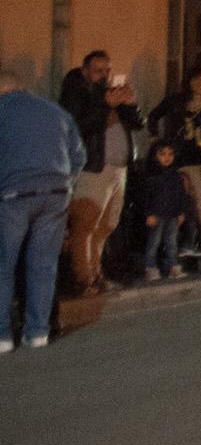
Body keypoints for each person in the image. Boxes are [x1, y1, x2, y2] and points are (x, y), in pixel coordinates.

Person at [1, 71, 84, 352]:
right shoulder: (55, 111)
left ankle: (1, 336)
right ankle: (37, 333)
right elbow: (78, 156)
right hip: (56, 193)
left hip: (13, 194)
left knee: (4, 266)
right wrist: (67, 184)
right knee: (43, 266)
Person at [59, 48, 142, 295]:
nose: (104, 76)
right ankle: (84, 280)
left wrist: (131, 104)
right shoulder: (78, 93)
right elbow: (78, 127)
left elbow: (139, 124)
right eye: (98, 71)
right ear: (85, 71)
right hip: (93, 168)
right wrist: (105, 105)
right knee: (85, 225)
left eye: (108, 70)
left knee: (107, 225)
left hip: (119, 169)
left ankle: (97, 274)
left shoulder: (111, 93)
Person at [148, 67, 201, 262]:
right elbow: (154, 115)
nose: (200, 84)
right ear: (189, 81)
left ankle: (194, 241)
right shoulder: (177, 101)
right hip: (186, 159)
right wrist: (155, 138)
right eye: (196, 79)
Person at [137, 140, 195, 282]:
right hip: (157, 214)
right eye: (162, 154)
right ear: (155, 156)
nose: (167, 157)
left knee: (172, 242)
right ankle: (150, 268)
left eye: (170, 154)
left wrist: (181, 212)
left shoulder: (175, 175)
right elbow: (145, 197)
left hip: (173, 214)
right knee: (154, 242)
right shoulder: (151, 176)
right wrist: (149, 213)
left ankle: (173, 266)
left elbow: (181, 195)